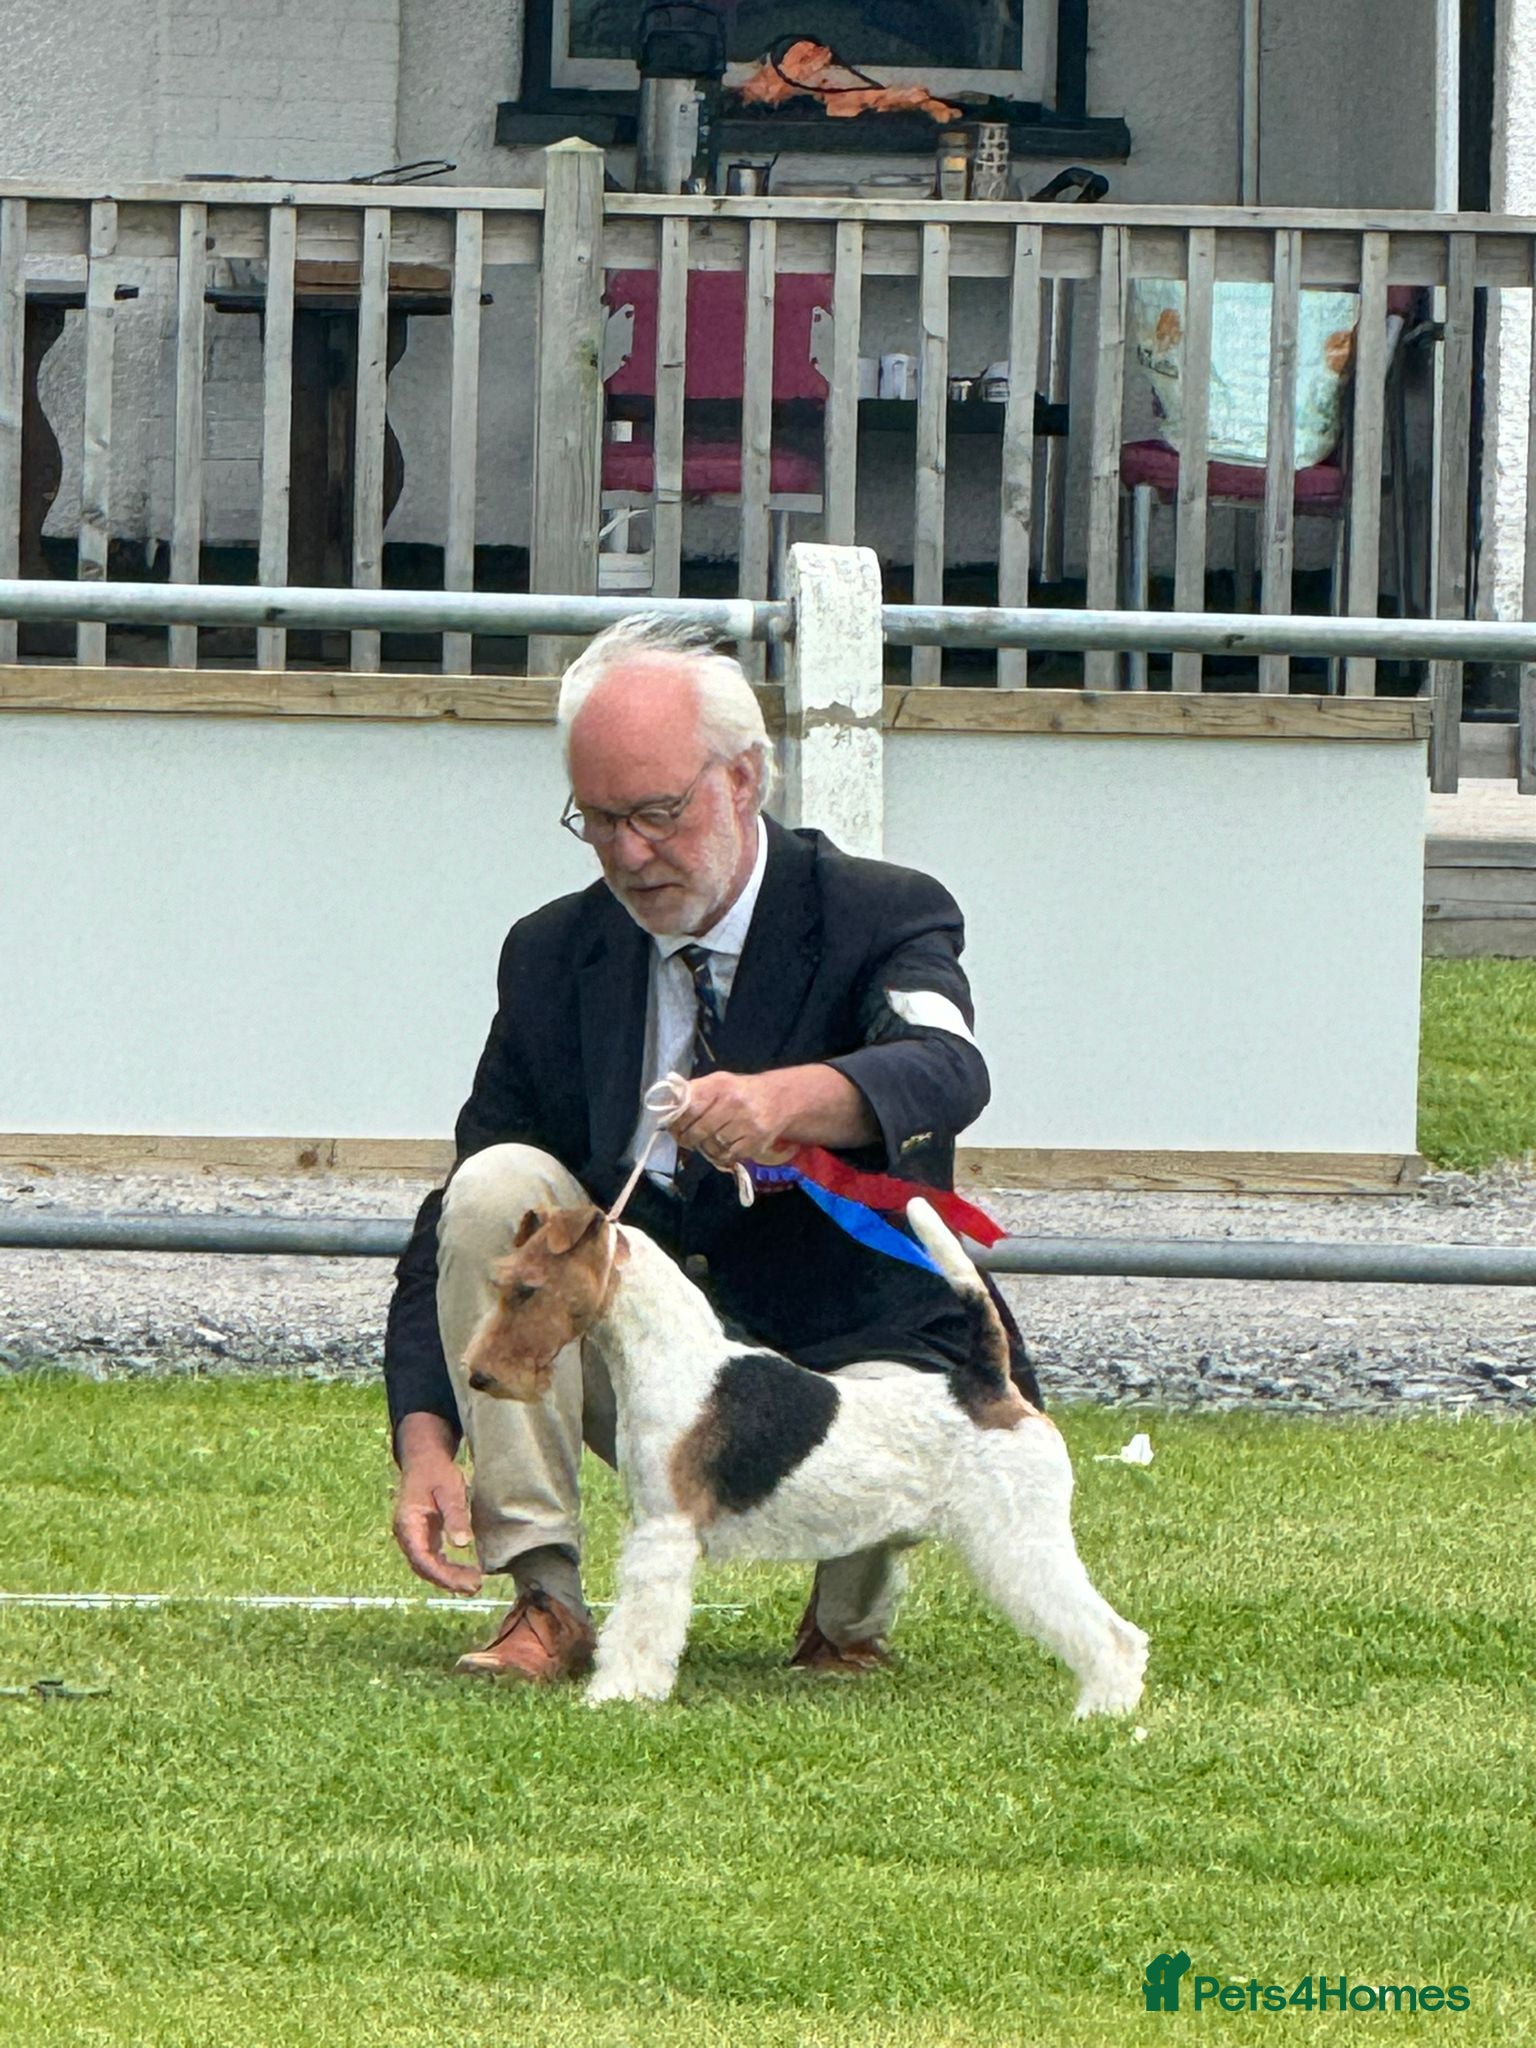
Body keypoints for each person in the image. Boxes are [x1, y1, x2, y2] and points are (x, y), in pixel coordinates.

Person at [383, 615, 1038, 1683]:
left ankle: (846, 1625)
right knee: (495, 1183)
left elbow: (948, 1068)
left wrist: (792, 1098)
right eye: (597, 820)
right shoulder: (551, 953)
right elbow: (457, 1216)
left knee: (892, 1417)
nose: (629, 854)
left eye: (656, 812)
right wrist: (423, 1434)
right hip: (646, 1358)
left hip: (854, 1357)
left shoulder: (884, 912)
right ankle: (544, 1597)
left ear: (744, 778)